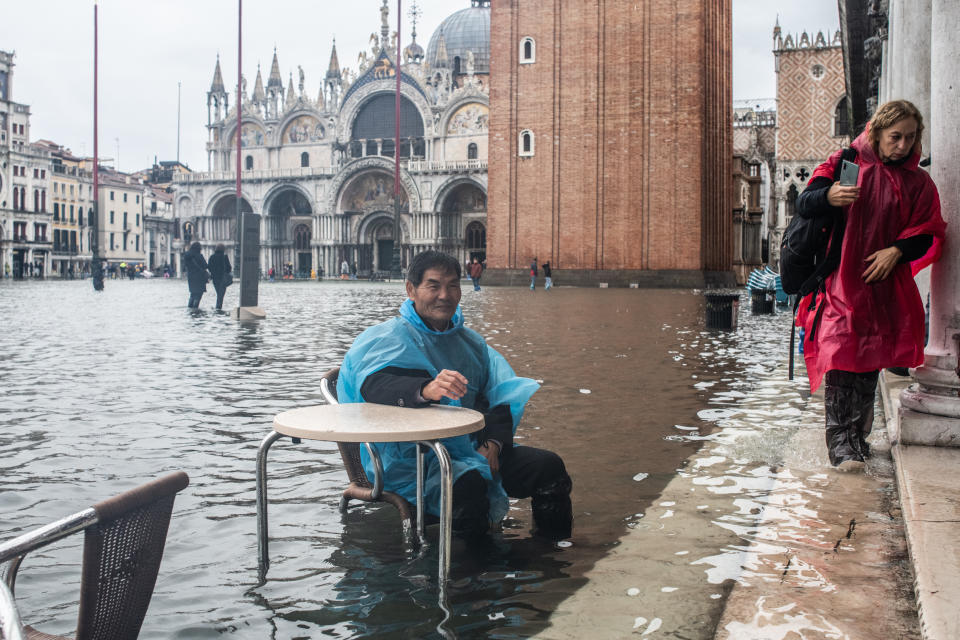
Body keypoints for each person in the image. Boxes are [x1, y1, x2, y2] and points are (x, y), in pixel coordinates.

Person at [337, 250, 572, 540]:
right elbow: (373, 386)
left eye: (452, 285)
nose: (444, 295)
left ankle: (552, 552)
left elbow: (496, 397)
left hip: (473, 448)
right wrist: (424, 390)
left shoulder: (471, 344)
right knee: (467, 485)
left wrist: (494, 444)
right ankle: (471, 574)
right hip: (411, 461)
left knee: (548, 467)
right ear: (411, 289)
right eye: (433, 286)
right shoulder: (387, 338)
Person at [796, 99, 946, 471]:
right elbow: (805, 202)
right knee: (842, 355)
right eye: (895, 137)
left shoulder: (918, 181)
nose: (902, 146)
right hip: (841, 280)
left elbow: (928, 232)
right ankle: (840, 445)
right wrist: (830, 195)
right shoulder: (847, 163)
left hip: (882, 285)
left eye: (910, 138)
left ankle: (857, 438)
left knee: (869, 361)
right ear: (877, 133)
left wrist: (897, 250)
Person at [183, 242, 210, 309]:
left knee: (192, 294)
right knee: (198, 294)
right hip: (200, 277)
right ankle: (195, 308)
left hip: (191, 277)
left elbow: (186, 265)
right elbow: (205, 266)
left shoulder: (187, 255)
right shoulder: (199, 255)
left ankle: (190, 308)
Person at [207, 244, 233, 310]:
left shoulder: (212, 257)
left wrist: (214, 273)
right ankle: (218, 308)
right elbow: (229, 268)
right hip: (222, 278)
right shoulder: (224, 257)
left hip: (215, 278)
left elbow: (209, 267)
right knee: (221, 294)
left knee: (219, 293)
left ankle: (218, 307)